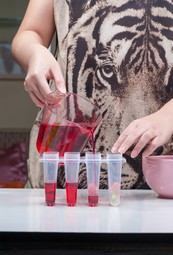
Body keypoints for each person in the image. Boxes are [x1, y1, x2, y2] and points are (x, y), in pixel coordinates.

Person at [12, 0, 173, 190]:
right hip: (63, 175)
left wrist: (168, 115)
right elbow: (30, 32)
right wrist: (35, 52)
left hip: (163, 179)